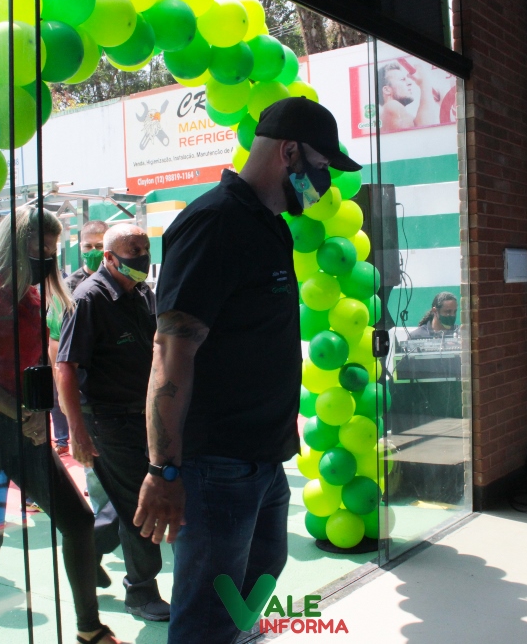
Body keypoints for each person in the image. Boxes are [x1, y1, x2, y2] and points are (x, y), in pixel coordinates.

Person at [133, 97, 362, 644]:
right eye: (321, 167)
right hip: (216, 467)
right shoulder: (214, 222)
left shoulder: (270, 225)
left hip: (261, 461)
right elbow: (171, 352)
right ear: (289, 152)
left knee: (254, 585)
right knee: (208, 618)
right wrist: (164, 471)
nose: (325, 183)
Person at [0, 206, 123, 644]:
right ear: (15, 244)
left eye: (52, 248)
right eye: (38, 246)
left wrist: (40, 414)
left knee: (78, 520)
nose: (46, 255)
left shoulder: (33, 297)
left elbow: (38, 363)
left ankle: (88, 627)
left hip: (21, 427)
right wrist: (26, 414)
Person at [56, 223, 170, 622]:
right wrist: (77, 431)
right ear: (108, 257)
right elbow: (65, 367)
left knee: (126, 503)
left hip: (144, 416)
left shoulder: (142, 293)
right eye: (132, 250)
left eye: (144, 247)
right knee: (139, 503)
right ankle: (140, 591)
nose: (142, 256)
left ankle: (84, 552)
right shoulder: (89, 299)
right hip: (107, 421)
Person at [50, 220, 110, 455]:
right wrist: (64, 390)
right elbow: (55, 342)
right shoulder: (67, 288)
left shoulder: (124, 283)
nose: (93, 252)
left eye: (99, 246)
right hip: (84, 387)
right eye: (88, 246)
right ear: (80, 247)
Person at [379, 59, 441, 132]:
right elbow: (424, 129)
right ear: (387, 90)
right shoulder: (391, 105)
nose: (409, 83)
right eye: (402, 79)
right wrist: (424, 82)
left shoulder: (389, 112)